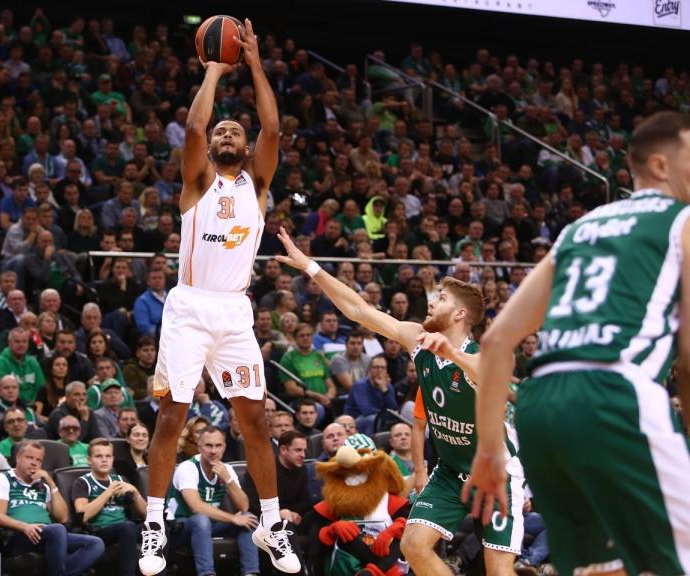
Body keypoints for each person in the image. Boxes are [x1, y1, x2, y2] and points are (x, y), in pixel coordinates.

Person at [467, 111, 690, 576]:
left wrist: (489, 450)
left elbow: (495, 341)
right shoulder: (683, 220)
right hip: (616, 396)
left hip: (541, 408)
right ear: (661, 165)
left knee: (601, 568)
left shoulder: (580, 229)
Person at [141, 19, 300, 576]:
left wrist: (253, 63)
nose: (229, 133)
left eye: (237, 131)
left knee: (255, 420)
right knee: (171, 417)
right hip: (188, 306)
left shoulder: (256, 185)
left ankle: (272, 525)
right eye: (223, 132)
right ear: (211, 148)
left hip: (234, 311)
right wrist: (213, 68)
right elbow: (193, 127)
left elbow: (274, 130)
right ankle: (154, 525)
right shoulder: (197, 183)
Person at [274, 228, 525, 575]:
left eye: (441, 298)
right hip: (452, 470)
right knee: (413, 545)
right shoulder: (417, 340)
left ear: (459, 315)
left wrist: (452, 353)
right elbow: (359, 310)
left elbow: (492, 374)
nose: (432, 301)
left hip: (496, 472)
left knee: (499, 570)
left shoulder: (475, 356)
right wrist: (311, 268)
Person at [0, 440, 104, 575]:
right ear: (18, 457)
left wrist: (51, 483)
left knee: (95, 543)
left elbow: (62, 517)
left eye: (38, 460)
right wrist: (25, 527)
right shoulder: (2, 480)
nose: (34, 463)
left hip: (49, 535)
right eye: (30, 458)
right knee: (57, 530)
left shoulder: (42, 485)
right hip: (18, 536)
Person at [165, 426, 260, 576]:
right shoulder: (187, 468)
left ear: (224, 447)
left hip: (210, 524)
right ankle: (207, 573)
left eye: (218, 445)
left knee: (248, 518)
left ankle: (250, 572)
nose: (213, 451)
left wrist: (228, 480)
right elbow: (196, 507)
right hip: (179, 527)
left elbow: (244, 506)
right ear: (199, 447)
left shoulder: (226, 469)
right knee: (202, 520)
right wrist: (232, 518)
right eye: (208, 445)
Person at [73, 438, 146, 576]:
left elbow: (147, 515)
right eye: (98, 456)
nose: (104, 460)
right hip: (101, 531)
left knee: (158, 526)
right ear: (89, 460)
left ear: (113, 459)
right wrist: (108, 492)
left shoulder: (121, 480)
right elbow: (82, 515)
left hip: (126, 530)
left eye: (108, 456)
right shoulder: (82, 483)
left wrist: (135, 493)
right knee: (128, 527)